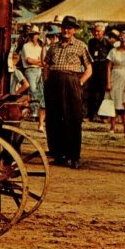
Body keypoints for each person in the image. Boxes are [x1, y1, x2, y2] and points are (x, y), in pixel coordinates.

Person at [43, 15, 92, 169]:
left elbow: (89, 68)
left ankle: (74, 156)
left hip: (72, 82)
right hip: (54, 83)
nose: (66, 30)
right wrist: (47, 82)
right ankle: (59, 155)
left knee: (73, 119)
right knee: (54, 119)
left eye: (69, 28)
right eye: (64, 27)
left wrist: (80, 82)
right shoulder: (53, 47)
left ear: (74, 30)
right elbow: (46, 65)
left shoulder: (81, 46)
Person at [106, 30, 125, 137]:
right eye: (122, 39)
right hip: (116, 75)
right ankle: (113, 126)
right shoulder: (113, 51)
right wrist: (108, 81)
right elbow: (109, 67)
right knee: (113, 101)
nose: (124, 41)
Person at [19, 25, 45, 131]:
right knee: (33, 90)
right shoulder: (26, 46)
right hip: (30, 70)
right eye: (34, 34)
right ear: (31, 35)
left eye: (37, 34)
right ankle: (34, 112)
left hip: (38, 70)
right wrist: (38, 62)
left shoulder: (39, 47)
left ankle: (36, 113)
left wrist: (38, 62)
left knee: (39, 91)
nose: (35, 36)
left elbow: (42, 61)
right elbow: (29, 60)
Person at [86, 22, 112, 122]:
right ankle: (90, 115)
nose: (96, 33)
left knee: (102, 92)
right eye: (95, 31)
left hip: (103, 67)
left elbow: (111, 55)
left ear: (103, 32)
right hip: (93, 66)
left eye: (98, 31)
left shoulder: (107, 42)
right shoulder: (91, 42)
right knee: (91, 92)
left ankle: (103, 116)